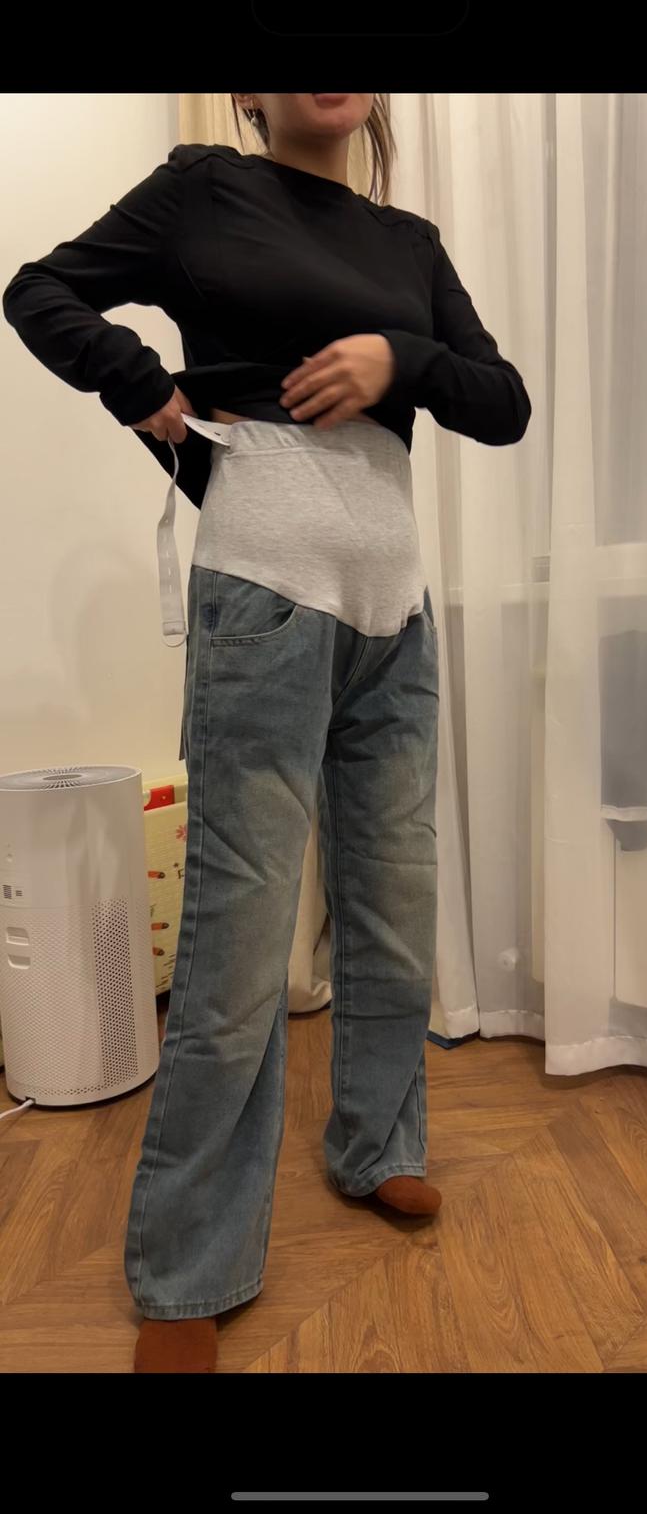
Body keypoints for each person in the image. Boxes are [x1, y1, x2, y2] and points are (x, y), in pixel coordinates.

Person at [3, 92, 531, 1373]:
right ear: (250, 91)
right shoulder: (206, 189)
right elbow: (39, 291)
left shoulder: (408, 244)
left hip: (395, 611)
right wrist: (144, 390)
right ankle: (190, 1262)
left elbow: (502, 401)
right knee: (239, 945)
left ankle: (376, 1144)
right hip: (266, 595)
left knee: (396, 907)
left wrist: (400, 362)